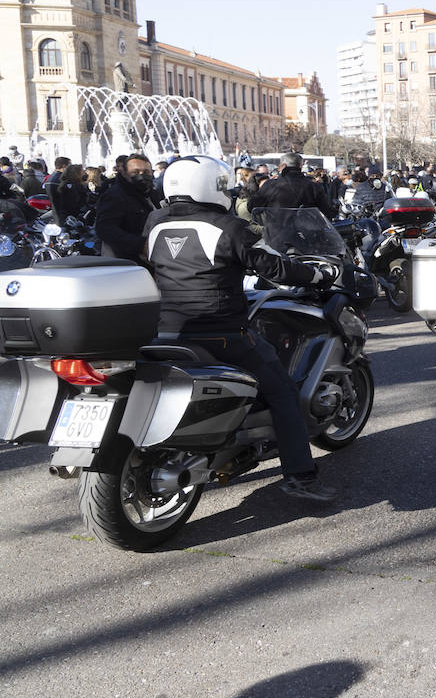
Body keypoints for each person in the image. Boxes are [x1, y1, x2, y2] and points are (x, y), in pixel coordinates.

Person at [144, 156, 339, 502]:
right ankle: (301, 476)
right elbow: (275, 268)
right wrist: (318, 274)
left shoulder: (155, 222)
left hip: (164, 332)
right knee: (283, 394)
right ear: (211, 187)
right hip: (221, 334)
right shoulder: (228, 227)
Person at [95, 153, 158, 261]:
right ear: (124, 173)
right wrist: (140, 244)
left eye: (146, 172)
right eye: (135, 172)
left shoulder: (153, 193)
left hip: (154, 257)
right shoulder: (115, 195)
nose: (141, 175)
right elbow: (105, 228)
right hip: (127, 262)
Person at [248, 152, 334, 217]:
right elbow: (326, 211)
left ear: (283, 166)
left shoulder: (270, 185)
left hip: (276, 234)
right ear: (300, 166)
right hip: (305, 234)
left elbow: (251, 206)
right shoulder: (313, 186)